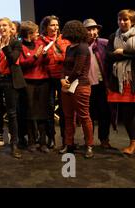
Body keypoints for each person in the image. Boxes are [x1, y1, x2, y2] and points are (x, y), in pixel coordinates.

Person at [0, 17, 25, 159]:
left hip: (10, 81)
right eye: (0, 26)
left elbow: (13, 59)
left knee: (12, 114)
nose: (2, 28)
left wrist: (5, 46)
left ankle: (14, 144)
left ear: (10, 27)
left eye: (4, 26)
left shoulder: (16, 43)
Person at [106, 9, 135, 155]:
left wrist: (121, 52)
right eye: (120, 19)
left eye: (125, 20)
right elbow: (109, 56)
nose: (122, 22)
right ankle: (133, 143)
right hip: (120, 80)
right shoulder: (113, 36)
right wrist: (133, 52)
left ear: (133, 21)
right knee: (127, 113)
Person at [59, 20, 94, 159]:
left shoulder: (83, 47)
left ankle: (89, 145)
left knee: (84, 116)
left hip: (81, 85)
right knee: (68, 117)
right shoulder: (69, 48)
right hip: (67, 85)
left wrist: (67, 81)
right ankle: (69, 144)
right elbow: (65, 67)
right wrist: (62, 79)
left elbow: (78, 70)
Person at [18, 21, 50, 153]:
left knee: (42, 112)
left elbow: (46, 62)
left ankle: (43, 142)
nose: (38, 34)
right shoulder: (20, 46)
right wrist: (35, 56)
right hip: (28, 82)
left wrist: (46, 55)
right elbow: (22, 64)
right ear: (28, 34)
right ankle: (31, 141)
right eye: (35, 32)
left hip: (43, 81)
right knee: (30, 112)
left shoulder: (40, 44)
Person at [40, 15, 70, 149]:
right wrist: (44, 57)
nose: (55, 27)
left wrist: (59, 56)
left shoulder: (64, 40)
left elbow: (68, 58)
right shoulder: (40, 40)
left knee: (64, 110)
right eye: (52, 25)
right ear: (46, 27)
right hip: (47, 78)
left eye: (57, 25)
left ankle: (65, 139)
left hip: (62, 78)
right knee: (49, 108)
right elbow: (38, 61)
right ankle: (51, 137)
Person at [83, 18, 112, 149]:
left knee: (104, 112)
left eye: (94, 29)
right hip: (87, 85)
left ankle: (104, 139)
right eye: (89, 29)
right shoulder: (81, 46)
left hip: (101, 84)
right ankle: (89, 140)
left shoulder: (104, 43)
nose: (92, 31)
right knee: (88, 114)